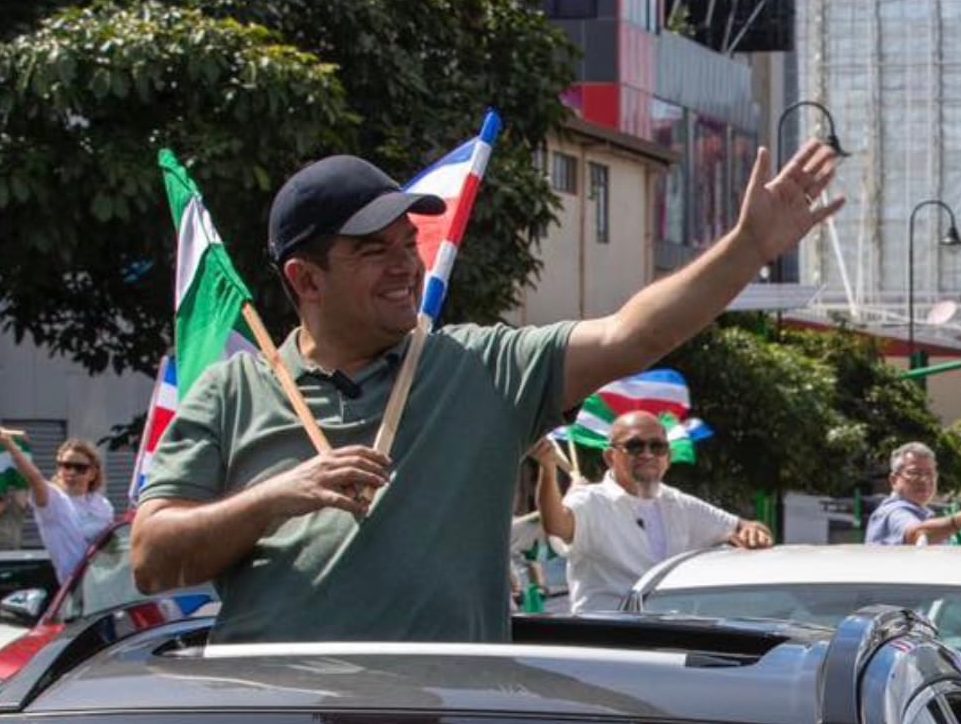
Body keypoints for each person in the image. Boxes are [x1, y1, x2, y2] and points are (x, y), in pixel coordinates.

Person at [131, 142, 840, 642]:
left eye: (408, 243)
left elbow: (633, 334)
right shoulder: (232, 392)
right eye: (374, 251)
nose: (406, 265)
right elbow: (151, 560)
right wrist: (277, 496)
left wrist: (748, 245)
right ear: (305, 281)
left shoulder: (482, 366)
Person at [532, 417, 773, 613]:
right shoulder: (590, 501)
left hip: (666, 642)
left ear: (667, 458)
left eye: (657, 447)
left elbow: (746, 527)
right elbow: (556, 524)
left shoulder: (679, 504)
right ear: (610, 457)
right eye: (635, 447)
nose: (647, 454)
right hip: (605, 644)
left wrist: (752, 533)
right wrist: (548, 470)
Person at [0, 432, 114, 584]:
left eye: (80, 468)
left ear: (92, 473)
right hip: (76, 589)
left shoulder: (102, 505)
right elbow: (34, 478)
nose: (71, 472)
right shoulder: (54, 499)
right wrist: (9, 445)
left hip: (109, 584)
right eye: (66, 466)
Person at [864, 443, 961, 546]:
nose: (924, 479)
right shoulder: (892, 512)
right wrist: (957, 522)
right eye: (915, 473)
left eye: (930, 474)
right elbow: (917, 533)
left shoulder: (924, 515)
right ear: (894, 480)